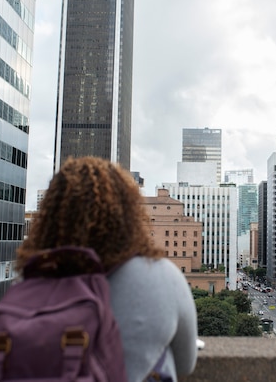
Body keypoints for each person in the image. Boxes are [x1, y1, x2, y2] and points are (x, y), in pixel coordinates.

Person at [16, 157, 198, 382]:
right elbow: (186, 363)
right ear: (128, 212)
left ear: (51, 216)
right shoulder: (163, 275)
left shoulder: (31, 279)